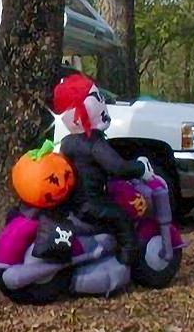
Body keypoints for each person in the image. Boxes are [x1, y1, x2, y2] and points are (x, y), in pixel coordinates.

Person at [52, 71, 154, 265]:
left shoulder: (67, 142)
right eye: (97, 98)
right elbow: (117, 167)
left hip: (73, 203)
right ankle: (127, 261)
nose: (103, 103)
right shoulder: (94, 142)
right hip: (92, 204)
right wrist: (140, 168)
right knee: (122, 218)